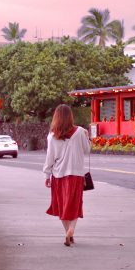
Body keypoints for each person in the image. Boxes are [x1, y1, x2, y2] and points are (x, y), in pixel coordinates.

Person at [43, 104, 90, 247]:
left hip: (58, 174)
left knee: (61, 205)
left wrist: (47, 175)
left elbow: (49, 157)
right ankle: (71, 229)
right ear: (70, 116)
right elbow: (86, 150)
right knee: (75, 204)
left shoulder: (52, 136)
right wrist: (87, 137)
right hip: (76, 174)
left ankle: (67, 232)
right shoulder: (80, 132)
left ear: (56, 117)